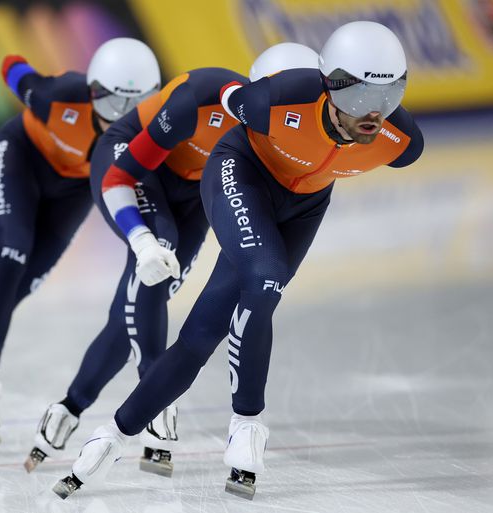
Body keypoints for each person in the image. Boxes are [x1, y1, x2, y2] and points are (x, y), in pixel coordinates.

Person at [53, 21, 424, 501]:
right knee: (266, 279)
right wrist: (142, 235)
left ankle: (115, 433)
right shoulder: (270, 101)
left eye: (389, 96)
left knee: (204, 330)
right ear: (327, 87)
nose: (372, 113)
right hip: (241, 173)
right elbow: (213, 99)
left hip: (305, 205)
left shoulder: (401, 141)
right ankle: (248, 424)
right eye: (356, 96)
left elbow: (376, 121)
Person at [26, 42, 320, 475]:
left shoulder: (297, 131)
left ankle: (68, 409)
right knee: (156, 258)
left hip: (192, 193)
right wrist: (141, 238)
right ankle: (151, 400)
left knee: (130, 312)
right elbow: (120, 175)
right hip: (134, 164)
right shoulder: (201, 97)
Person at [0, 37, 161, 450]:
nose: (122, 117)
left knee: (12, 292)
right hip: (21, 158)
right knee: (10, 254)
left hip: (72, 193)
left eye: (137, 105)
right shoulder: (58, 96)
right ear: (92, 91)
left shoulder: (153, 129)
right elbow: (11, 65)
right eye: (112, 103)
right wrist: (21, 73)